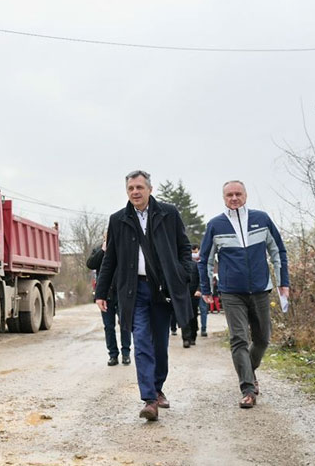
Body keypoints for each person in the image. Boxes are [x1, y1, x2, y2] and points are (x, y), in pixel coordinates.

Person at [95, 170, 193, 421]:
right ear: (126, 192)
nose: (135, 192)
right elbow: (110, 260)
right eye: (131, 189)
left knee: (160, 343)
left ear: (149, 189)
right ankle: (149, 400)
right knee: (141, 341)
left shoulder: (168, 213)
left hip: (162, 289)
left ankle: (158, 387)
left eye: (139, 187)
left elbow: (184, 247)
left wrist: (182, 275)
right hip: (133, 290)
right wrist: (101, 292)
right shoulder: (118, 220)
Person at [198, 180, 289, 409]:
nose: (234, 198)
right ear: (224, 198)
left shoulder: (262, 219)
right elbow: (206, 260)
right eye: (229, 195)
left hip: (260, 289)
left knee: (262, 339)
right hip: (231, 292)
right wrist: (207, 289)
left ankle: (248, 369)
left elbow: (278, 251)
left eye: (238, 193)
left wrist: (283, 283)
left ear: (245, 195)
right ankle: (248, 388)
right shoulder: (215, 225)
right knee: (239, 339)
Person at [86, 238, 131, 367]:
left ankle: (126, 354)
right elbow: (90, 264)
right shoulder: (99, 249)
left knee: (125, 324)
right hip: (106, 294)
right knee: (108, 326)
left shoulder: (124, 246)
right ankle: (113, 355)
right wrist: (102, 251)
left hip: (122, 293)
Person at [181, 244, 202, 347]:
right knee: (184, 316)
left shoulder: (196, 265)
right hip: (183, 294)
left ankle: (193, 336)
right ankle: (186, 338)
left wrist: (199, 290)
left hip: (194, 294)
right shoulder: (179, 266)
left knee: (193, 316)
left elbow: (200, 279)